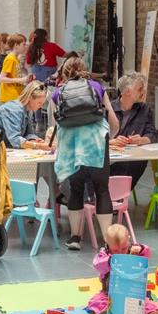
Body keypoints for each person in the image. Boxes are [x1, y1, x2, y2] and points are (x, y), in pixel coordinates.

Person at [51, 57, 119, 251]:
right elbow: (113, 121)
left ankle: (75, 237)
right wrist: (110, 136)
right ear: (84, 70)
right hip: (96, 143)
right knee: (102, 190)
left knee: (76, 190)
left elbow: (56, 125)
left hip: (72, 147)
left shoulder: (57, 93)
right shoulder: (97, 87)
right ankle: (107, 241)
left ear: (64, 73)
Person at [87, 224, 158, 314]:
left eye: (123, 249)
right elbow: (97, 264)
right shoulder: (104, 254)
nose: (120, 253)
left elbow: (147, 254)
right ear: (107, 243)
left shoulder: (134, 250)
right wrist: (110, 260)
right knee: (96, 301)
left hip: (133, 293)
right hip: (110, 293)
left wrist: (140, 249)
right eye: (115, 250)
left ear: (128, 240)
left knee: (145, 303)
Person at [109, 72, 157, 189]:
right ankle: (115, 197)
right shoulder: (108, 109)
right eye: (140, 89)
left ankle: (120, 195)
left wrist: (142, 140)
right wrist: (111, 141)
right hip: (111, 159)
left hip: (133, 159)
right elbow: (96, 137)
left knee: (138, 162)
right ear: (127, 91)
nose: (143, 92)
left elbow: (153, 133)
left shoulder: (144, 109)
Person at [0, 80, 51, 151]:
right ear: (30, 98)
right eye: (39, 103)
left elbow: (29, 133)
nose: (41, 107)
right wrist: (38, 146)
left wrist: (34, 140)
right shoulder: (13, 110)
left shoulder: (28, 110)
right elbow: (15, 140)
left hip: (7, 148)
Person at [26, 28, 65, 132]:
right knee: (51, 99)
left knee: (37, 95)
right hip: (49, 74)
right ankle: (51, 123)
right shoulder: (51, 46)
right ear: (45, 36)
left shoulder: (31, 48)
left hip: (36, 73)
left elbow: (29, 62)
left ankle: (38, 122)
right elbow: (64, 54)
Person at [0, 33, 31, 103]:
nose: (25, 47)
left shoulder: (15, 59)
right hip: (10, 97)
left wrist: (26, 79)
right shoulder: (10, 59)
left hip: (16, 96)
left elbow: (15, 75)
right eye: (23, 44)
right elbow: (1, 78)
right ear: (16, 45)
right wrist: (21, 80)